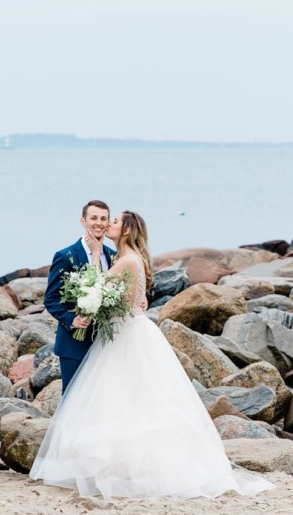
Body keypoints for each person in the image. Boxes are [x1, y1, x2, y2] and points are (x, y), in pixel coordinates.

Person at [31, 210, 274, 500]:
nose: (108, 224)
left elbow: (97, 286)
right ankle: (115, 466)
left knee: (129, 398)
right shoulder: (128, 257)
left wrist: (95, 256)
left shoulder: (125, 259)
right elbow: (131, 296)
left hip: (126, 334)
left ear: (126, 231)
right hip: (126, 330)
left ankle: (127, 469)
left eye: (114, 221)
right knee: (127, 398)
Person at [44, 200, 116, 390]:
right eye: (94, 218)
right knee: (72, 396)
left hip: (105, 343)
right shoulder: (65, 256)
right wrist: (72, 320)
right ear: (83, 221)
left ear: (108, 223)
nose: (99, 223)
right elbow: (51, 299)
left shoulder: (113, 256)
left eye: (103, 218)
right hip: (73, 344)